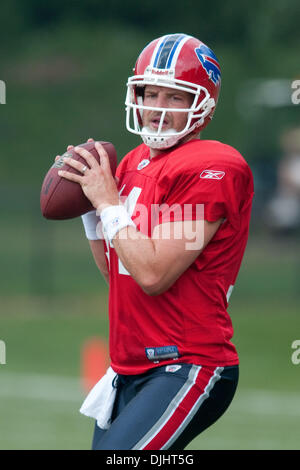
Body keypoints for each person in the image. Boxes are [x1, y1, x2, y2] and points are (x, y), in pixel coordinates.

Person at [58, 33, 254, 450]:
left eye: (174, 97)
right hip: (129, 366)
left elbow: (151, 274)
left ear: (202, 105)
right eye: (150, 93)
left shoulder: (214, 166)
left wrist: (109, 203)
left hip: (187, 363)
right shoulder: (132, 163)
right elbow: (122, 274)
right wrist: (92, 215)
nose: (157, 109)